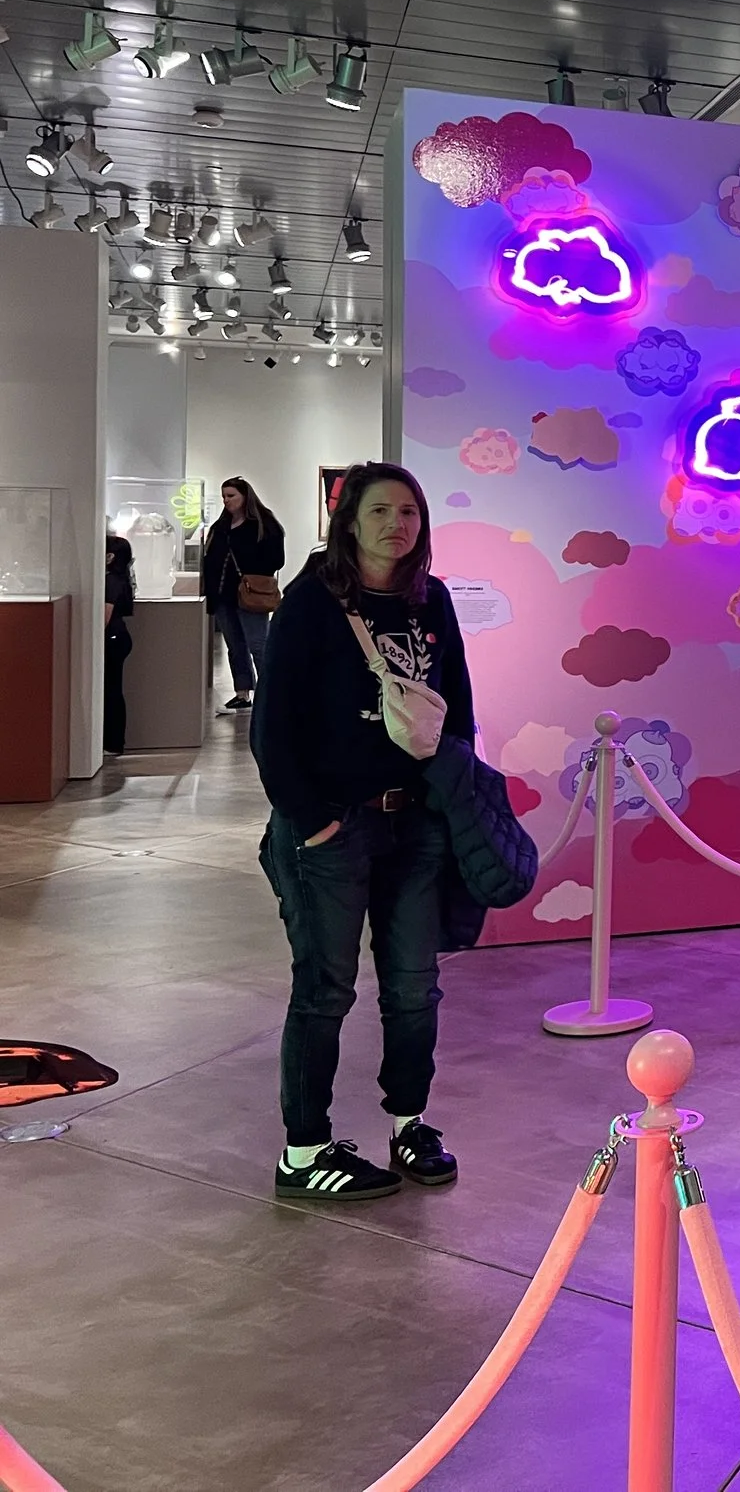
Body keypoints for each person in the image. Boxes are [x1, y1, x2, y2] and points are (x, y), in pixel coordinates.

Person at [251, 463, 475, 1203]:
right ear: (348, 521)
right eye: (380, 510)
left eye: (409, 511)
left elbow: (459, 712)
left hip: (414, 827)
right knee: (325, 988)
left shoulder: (431, 601)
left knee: (415, 987)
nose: (397, 524)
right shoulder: (312, 603)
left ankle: (410, 1120)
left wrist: (450, 801)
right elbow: (272, 728)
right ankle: (304, 1150)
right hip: (331, 832)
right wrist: (311, 821)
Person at [202, 477, 285, 711]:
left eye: (231, 495)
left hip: (250, 594)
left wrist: (249, 565)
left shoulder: (263, 524)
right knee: (235, 646)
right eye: (224, 496)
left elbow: (276, 559)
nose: (226, 501)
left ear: (245, 496)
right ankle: (243, 693)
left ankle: (270, 693)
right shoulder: (221, 526)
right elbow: (210, 558)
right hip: (223, 595)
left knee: (258, 644)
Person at [103, 530, 135, 756]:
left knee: (112, 691)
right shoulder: (120, 579)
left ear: (110, 556)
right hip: (118, 637)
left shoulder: (111, 581)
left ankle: (114, 743)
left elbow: (105, 616)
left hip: (113, 639)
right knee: (113, 690)